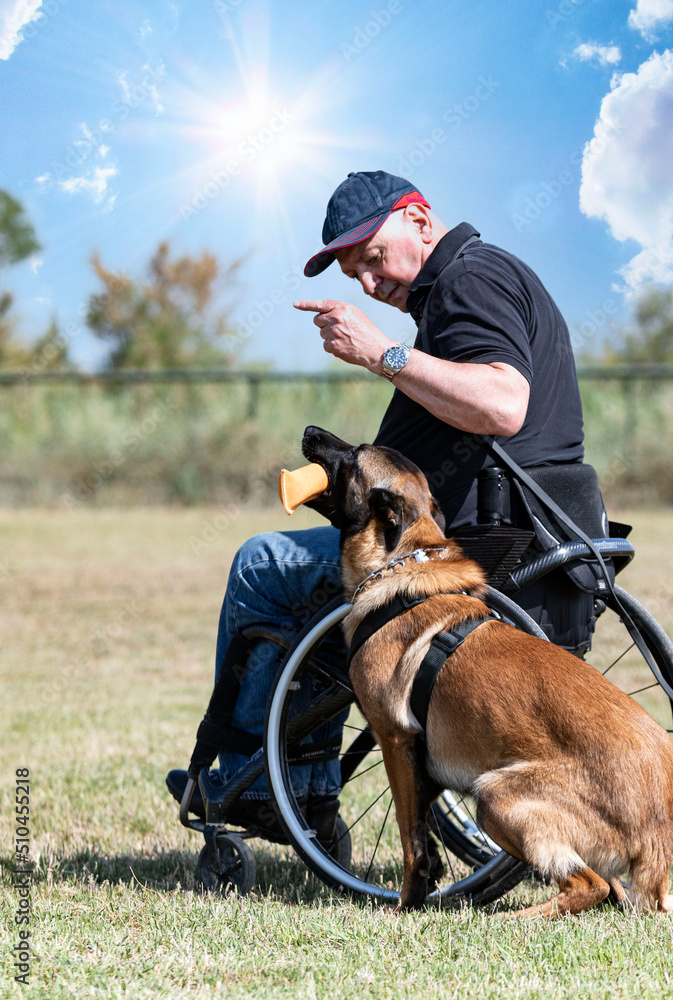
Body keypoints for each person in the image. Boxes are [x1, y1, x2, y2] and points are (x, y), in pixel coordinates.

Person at [166, 170, 586, 841]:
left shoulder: (466, 281)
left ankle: (276, 786)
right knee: (308, 571)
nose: (367, 282)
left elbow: (502, 404)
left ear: (419, 222)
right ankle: (297, 783)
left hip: (462, 549)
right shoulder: (471, 283)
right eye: (352, 270)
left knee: (262, 564)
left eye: (373, 257)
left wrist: (381, 353)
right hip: (506, 533)